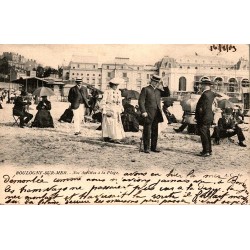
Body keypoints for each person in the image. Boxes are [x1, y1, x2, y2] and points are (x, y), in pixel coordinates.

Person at [138, 74, 170, 153]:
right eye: (154, 81)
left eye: (157, 82)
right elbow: (141, 101)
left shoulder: (158, 91)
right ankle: (146, 148)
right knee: (147, 131)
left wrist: (164, 84)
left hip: (157, 114)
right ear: (151, 81)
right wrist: (143, 111)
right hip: (148, 113)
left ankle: (153, 147)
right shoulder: (145, 89)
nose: (155, 83)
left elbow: (167, 94)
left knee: (155, 131)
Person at [195, 79, 217, 157]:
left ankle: (206, 151)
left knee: (204, 134)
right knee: (207, 133)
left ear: (204, 86)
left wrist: (198, 117)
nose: (200, 86)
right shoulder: (212, 94)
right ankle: (209, 150)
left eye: (201, 85)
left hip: (204, 116)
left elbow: (202, 108)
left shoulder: (205, 94)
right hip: (209, 116)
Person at [100, 77, 125, 143]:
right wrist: (105, 111)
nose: (116, 87)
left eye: (117, 85)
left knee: (116, 124)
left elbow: (120, 101)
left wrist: (121, 108)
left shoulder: (119, 92)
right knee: (108, 123)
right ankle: (108, 137)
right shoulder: (107, 92)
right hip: (109, 108)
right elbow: (103, 101)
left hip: (116, 109)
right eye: (115, 85)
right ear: (111, 85)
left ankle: (116, 137)